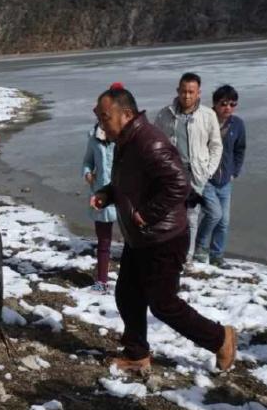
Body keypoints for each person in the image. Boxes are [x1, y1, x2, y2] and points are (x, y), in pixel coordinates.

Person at [90, 85, 237, 374]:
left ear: (126, 114)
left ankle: (221, 338)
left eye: (105, 116)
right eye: (98, 116)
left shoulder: (149, 142)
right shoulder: (125, 140)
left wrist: (147, 214)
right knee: (128, 294)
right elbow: (127, 182)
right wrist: (107, 194)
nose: (101, 123)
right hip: (141, 237)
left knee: (163, 304)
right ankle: (136, 354)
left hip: (164, 238)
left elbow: (179, 184)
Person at [154, 72, 223, 262]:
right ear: (178, 91)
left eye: (191, 92)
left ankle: (187, 257)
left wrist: (208, 170)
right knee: (172, 215)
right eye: (184, 91)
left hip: (197, 174)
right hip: (173, 175)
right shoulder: (164, 114)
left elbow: (216, 145)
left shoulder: (208, 115)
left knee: (194, 216)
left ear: (198, 93)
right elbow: (156, 145)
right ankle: (168, 252)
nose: (187, 96)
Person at [195, 85, 246, 266]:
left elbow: (240, 149)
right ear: (215, 104)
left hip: (226, 180)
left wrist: (235, 171)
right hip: (206, 178)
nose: (228, 108)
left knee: (224, 221)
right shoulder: (204, 120)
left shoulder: (237, 124)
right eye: (224, 103)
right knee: (214, 215)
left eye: (233, 104)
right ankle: (199, 248)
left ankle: (217, 256)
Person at [82, 82, 121, 293]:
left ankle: (136, 279)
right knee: (103, 241)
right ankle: (102, 280)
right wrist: (88, 173)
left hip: (124, 194)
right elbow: (87, 161)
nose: (103, 119)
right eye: (100, 115)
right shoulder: (93, 136)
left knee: (133, 240)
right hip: (100, 195)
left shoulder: (124, 134)